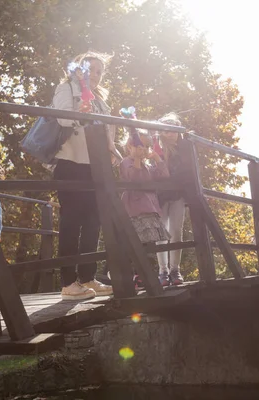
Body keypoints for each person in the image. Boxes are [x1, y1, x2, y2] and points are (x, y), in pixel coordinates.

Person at [52, 51, 122, 300]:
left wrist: (112, 148)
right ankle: (68, 283)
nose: (95, 75)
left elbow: (107, 128)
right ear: (79, 69)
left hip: (96, 166)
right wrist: (80, 113)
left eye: (100, 72)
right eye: (91, 70)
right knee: (71, 222)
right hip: (71, 162)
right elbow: (60, 117)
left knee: (94, 221)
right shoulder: (66, 88)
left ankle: (88, 277)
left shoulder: (101, 98)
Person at [120, 128, 171, 286]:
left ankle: (148, 274)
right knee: (138, 244)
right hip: (136, 209)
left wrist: (157, 159)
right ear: (130, 146)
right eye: (139, 146)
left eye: (145, 146)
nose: (142, 150)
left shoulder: (148, 165)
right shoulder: (126, 162)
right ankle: (138, 275)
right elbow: (133, 178)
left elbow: (164, 176)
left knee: (150, 244)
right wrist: (136, 159)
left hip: (150, 208)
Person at [155, 113, 186, 285]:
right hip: (159, 195)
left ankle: (175, 269)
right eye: (166, 129)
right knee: (161, 233)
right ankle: (163, 271)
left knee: (176, 231)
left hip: (177, 194)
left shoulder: (184, 148)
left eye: (173, 128)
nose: (170, 133)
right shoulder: (156, 146)